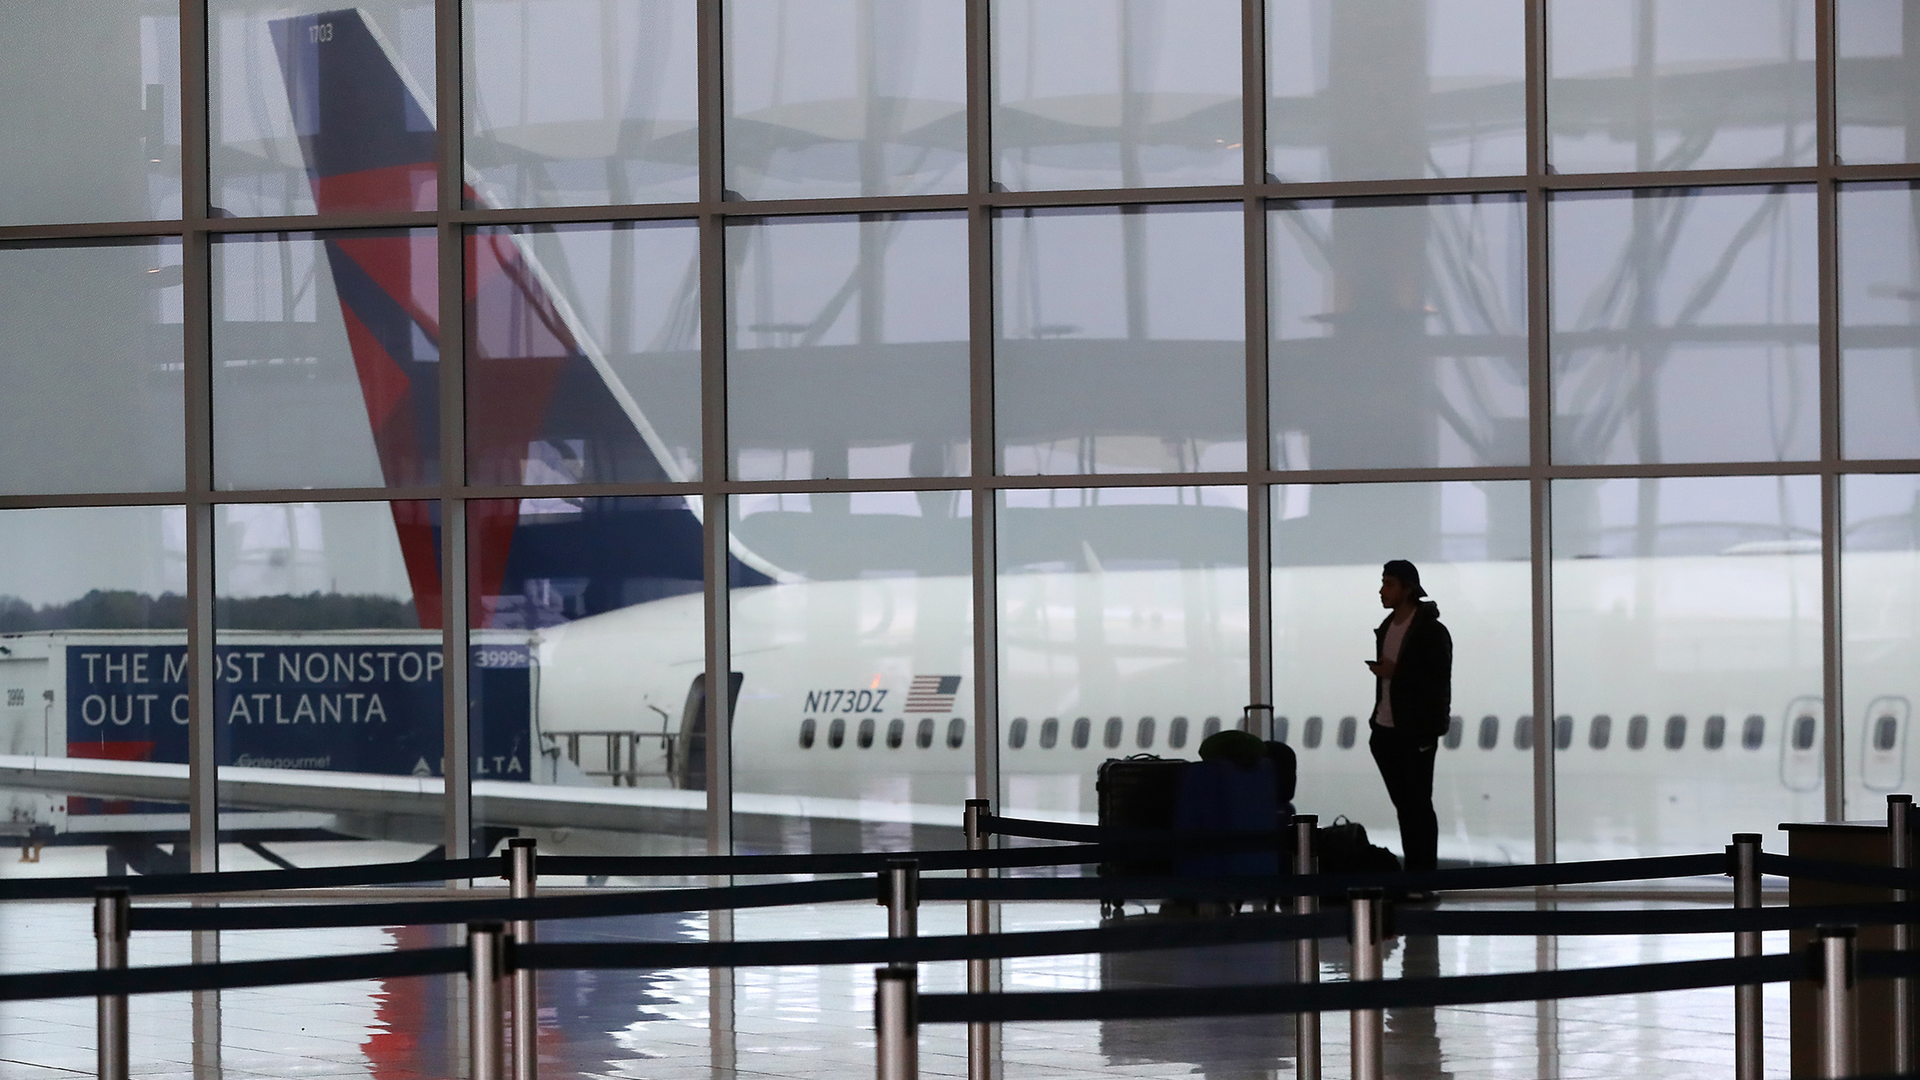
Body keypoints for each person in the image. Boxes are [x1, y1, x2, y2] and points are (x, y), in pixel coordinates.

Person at [1364, 559, 1451, 886]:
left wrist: (1395, 673)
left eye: (1389, 584)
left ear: (1407, 589)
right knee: (1407, 807)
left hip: (1415, 732)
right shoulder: (1387, 627)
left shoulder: (1430, 631)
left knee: (1417, 807)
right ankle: (1415, 880)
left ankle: (1422, 880)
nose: (1382, 590)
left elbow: (1437, 680)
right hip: (1386, 730)